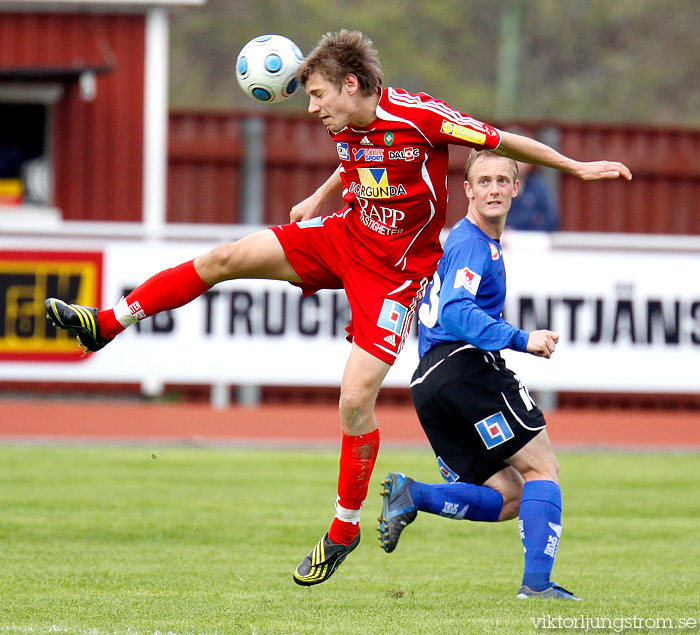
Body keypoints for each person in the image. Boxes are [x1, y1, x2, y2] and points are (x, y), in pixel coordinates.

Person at [45, 30, 631, 587]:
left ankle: (343, 529)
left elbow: (503, 141)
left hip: (396, 277)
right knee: (225, 257)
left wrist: (575, 168)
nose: (311, 110)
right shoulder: (346, 120)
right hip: (343, 236)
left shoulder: (422, 117)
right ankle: (106, 324)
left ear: (351, 84)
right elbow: (355, 157)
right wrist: (320, 197)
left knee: (354, 401)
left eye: (319, 96)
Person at [377, 149, 580, 599]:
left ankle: (414, 495)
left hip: (428, 382)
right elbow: (455, 311)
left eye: (501, 181)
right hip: (465, 368)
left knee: (508, 495)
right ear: (467, 190)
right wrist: (521, 339)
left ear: (515, 188)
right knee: (542, 468)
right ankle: (538, 587)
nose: (493, 189)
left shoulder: (465, 242)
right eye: (483, 181)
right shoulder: (472, 244)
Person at [506, 160, 559, 231]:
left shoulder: (538, 188)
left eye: (521, 159)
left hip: (533, 238)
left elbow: (550, 219)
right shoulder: (496, 186)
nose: (518, 164)